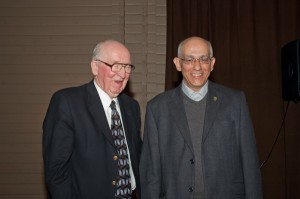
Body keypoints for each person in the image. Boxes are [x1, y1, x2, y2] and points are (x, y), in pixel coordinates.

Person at [139, 36, 263, 199]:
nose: (197, 66)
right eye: (189, 59)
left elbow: (250, 163)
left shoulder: (235, 101)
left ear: (212, 64)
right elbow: (151, 174)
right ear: (177, 63)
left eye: (203, 59)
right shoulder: (157, 108)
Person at [43, 40, 142, 199]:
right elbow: (57, 173)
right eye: (115, 65)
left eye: (127, 67)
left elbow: (137, 160)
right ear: (95, 67)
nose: (122, 73)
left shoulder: (132, 107)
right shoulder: (67, 102)